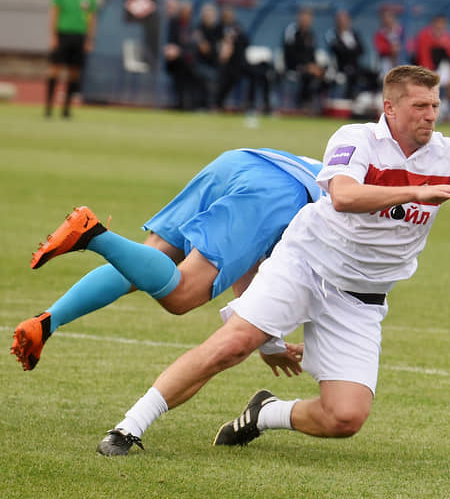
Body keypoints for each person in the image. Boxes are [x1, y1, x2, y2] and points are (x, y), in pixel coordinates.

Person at [90, 64, 450, 456]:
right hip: (306, 264)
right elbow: (344, 196)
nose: (430, 115)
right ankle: (128, 428)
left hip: (362, 297)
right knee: (233, 345)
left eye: (435, 106)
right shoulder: (354, 139)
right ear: (390, 109)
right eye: (420, 106)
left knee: (345, 419)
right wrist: (421, 191)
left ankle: (263, 414)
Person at [10, 149, 323, 372]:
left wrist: (267, 341)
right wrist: (268, 342)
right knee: (182, 294)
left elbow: (249, 267)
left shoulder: (340, 173)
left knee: (142, 265)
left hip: (241, 161)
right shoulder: (349, 225)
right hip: (278, 192)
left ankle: (48, 321)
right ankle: (92, 234)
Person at [44, 0, 97, 119]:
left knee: (74, 72)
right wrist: (53, 36)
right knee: (55, 70)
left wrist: (89, 39)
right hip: (63, 34)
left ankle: (66, 109)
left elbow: (91, 17)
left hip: (79, 35)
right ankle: (48, 107)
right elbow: (54, 13)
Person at [214, 6, 273, 114]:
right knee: (227, 79)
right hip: (229, 65)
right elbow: (220, 49)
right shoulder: (219, 28)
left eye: (230, 14)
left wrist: (234, 38)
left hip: (241, 62)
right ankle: (218, 103)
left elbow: (246, 41)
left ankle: (253, 103)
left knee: (259, 74)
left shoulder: (236, 27)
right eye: (226, 14)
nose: (229, 16)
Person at [414, 14, 450, 117]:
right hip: (423, 70)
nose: (440, 26)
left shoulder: (447, 38)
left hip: (439, 69)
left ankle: (441, 110)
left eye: (443, 24)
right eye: (438, 23)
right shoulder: (424, 35)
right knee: (426, 90)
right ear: (433, 24)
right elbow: (423, 57)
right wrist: (429, 75)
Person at [325, 9, 377, 100]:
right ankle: (348, 99)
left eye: (345, 20)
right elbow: (338, 50)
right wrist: (351, 50)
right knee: (351, 75)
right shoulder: (332, 35)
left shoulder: (354, 34)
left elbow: (361, 50)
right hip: (340, 67)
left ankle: (370, 99)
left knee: (373, 75)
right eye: (340, 20)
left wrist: (350, 50)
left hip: (355, 66)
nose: (342, 22)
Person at [282, 7, 327, 111]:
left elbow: (312, 54)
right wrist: (308, 66)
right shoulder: (291, 31)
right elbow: (290, 53)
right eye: (303, 18)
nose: (305, 20)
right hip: (293, 65)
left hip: (308, 66)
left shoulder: (311, 35)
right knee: (308, 75)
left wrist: (315, 66)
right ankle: (302, 104)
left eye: (308, 18)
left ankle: (321, 106)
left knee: (325, 75)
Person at [373, 8, 404, 80]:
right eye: (384, 17)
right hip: (386, 61)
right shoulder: (380, 34)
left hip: (401, 59)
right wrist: (391, 49)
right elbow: (380, 48)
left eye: (389, 16)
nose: (387, 19)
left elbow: (409, 44)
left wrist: (400, 48)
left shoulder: (401, 30)